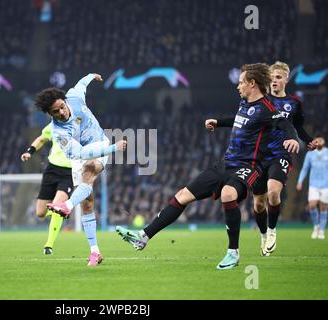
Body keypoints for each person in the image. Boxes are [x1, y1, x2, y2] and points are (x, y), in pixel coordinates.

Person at [116, 63, 299, 270]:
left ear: (252, 83)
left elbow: (286, 124)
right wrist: (219, 122)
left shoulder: (267, 109)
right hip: (226, 163)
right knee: (182, 195)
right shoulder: (244, 104)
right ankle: (143, 236)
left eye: (241, 82)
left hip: (249, 166)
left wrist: (292, 139)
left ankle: (233, 253)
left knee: (228, 194)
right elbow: (240, 121)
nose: (238, 86)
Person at [207, 61, 317, 256]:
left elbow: (296, 126)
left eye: (278, 77)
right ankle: (264, 234)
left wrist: (306, 141)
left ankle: (273, 231)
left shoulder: (294, 104)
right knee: (259, 203)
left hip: (280, 155)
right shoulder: (261, 101)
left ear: (286, 80)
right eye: (272, 77)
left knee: (274, 193)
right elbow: (240, 120)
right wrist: (219, 122)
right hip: (259, 157)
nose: (274, 81)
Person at [35, 73, 126, 266]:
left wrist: (91, 76)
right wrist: (114, 148)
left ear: (65, 100)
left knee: (90, 173)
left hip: (100, 144)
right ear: (49, 115)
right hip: (81, 154)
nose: (61, 112)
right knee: (87, 204)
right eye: (55, 112)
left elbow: (81, 84)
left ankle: (66, 206)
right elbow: (83, 152)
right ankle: (95, 252)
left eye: (61, 106)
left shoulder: (74, 97)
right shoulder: (59, 132)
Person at [20, 123, 73, 255]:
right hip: (51, 170)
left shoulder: (81, 122)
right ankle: (60, 213)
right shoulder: (55, 124)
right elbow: (42, 138)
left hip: (70, 172)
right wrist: (29, 152)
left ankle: (48, 245)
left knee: (57, 206)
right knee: (40, 213)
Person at [297, 136, 328, 240]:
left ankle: (322, 231)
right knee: (312, 205)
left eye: (321, 139)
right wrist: (300, 181)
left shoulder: (327, 152)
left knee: (324, 207)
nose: (319, 141)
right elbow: (305, 169)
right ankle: (316, 226)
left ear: (324, 142)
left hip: (325, 185)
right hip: (313, 185)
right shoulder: (310, 154)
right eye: (317, 140)